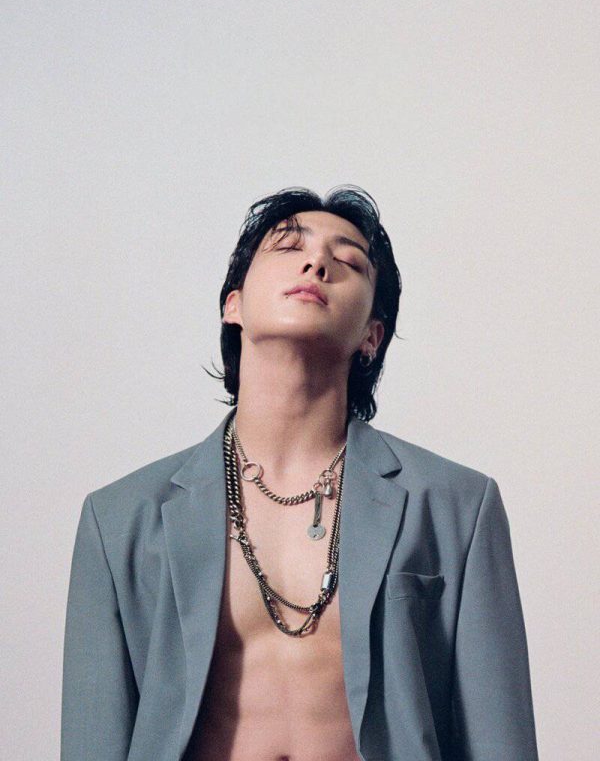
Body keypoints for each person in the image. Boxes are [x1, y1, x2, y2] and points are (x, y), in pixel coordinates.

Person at [61, 186, 539, 761]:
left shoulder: (457, 506)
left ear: (372, 336)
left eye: (349, 261)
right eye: (289, 247)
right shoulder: (118, 520)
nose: (317, 264)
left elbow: (501, 742)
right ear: (233, 304)